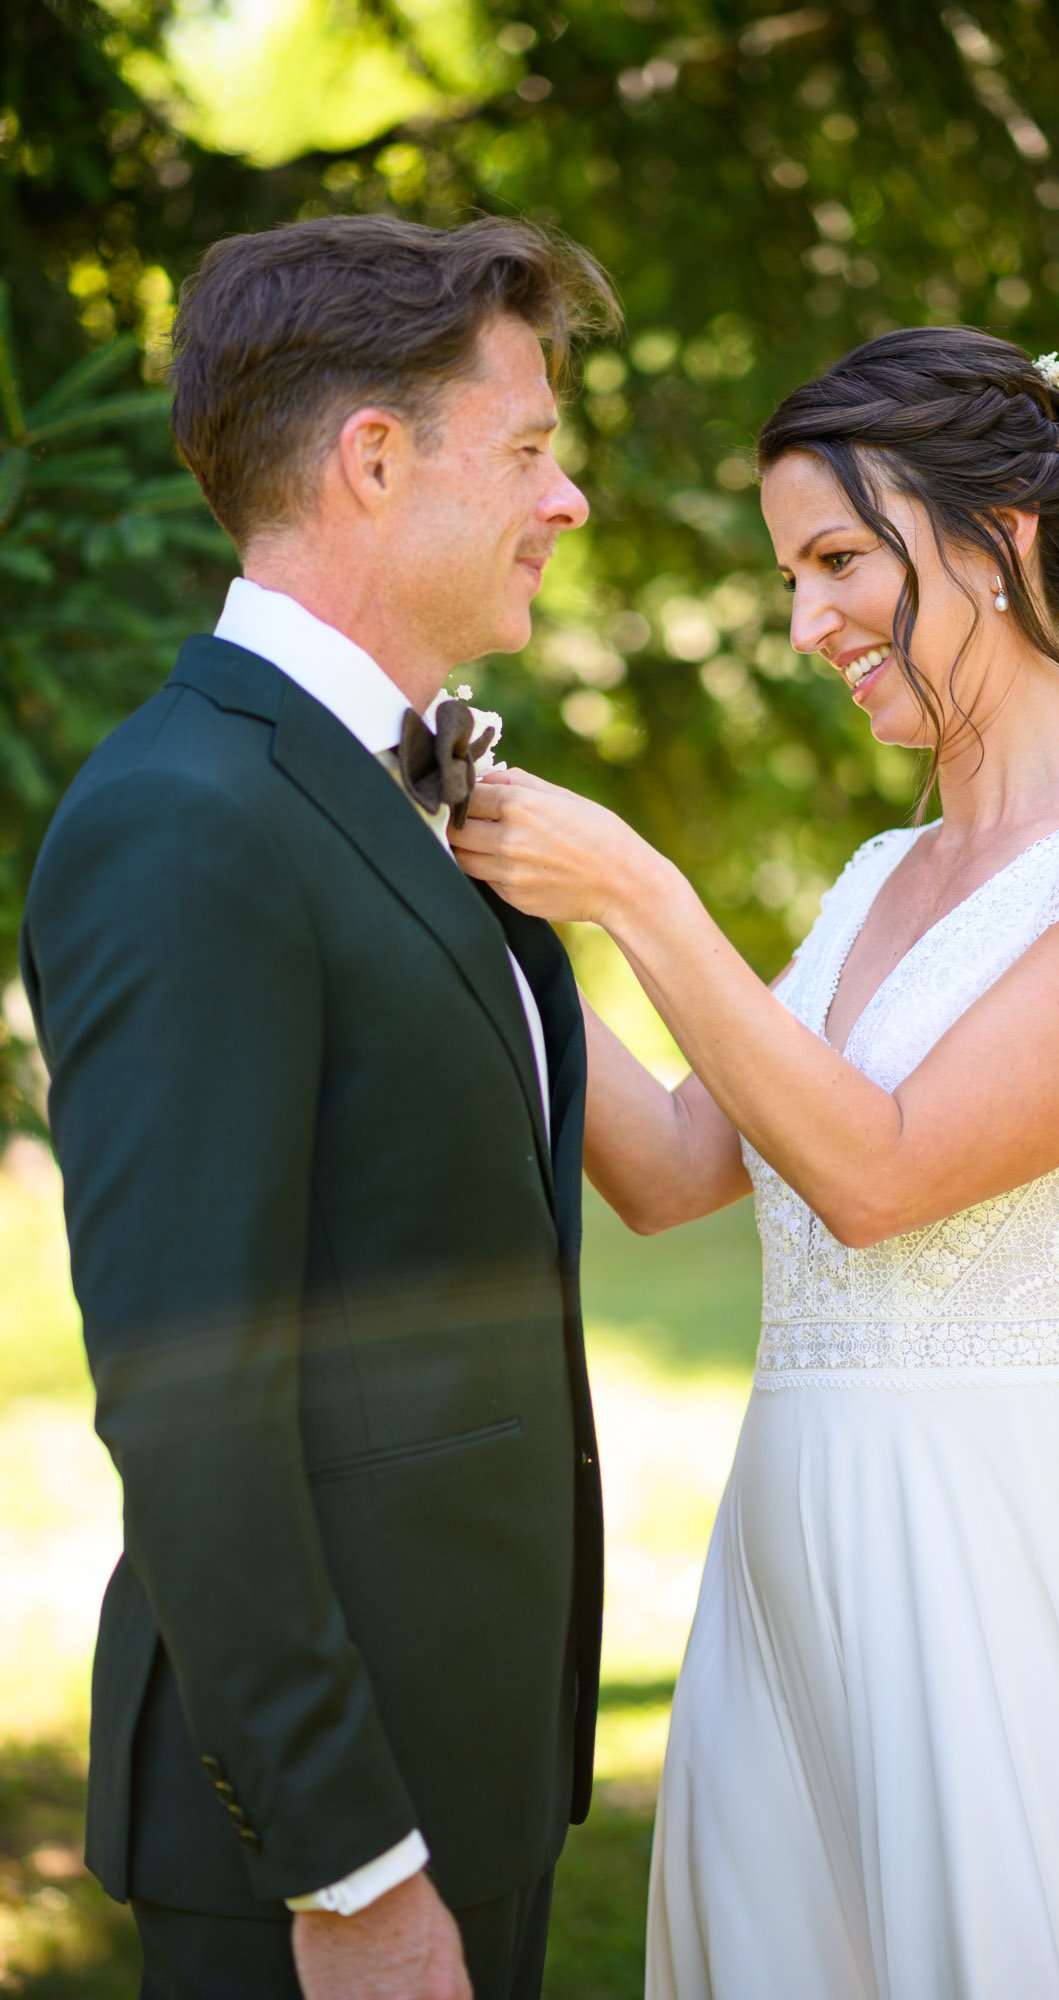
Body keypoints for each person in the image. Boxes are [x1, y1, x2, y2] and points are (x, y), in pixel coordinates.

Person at [453, 327, 1059, 1997]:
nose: (806, 625)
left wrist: (635, 888)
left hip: (991, 1535)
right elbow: (682, 1164)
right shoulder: (877, 872)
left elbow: (883, 1174)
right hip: (792, 1527)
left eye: (837, 560)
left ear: (997, 541)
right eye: (789, 576)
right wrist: (497, 908)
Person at [20, 213, 615, 2000]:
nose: (564, 498)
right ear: (373, 460)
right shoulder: (184, 820)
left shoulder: (417, 787)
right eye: (526, 447)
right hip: (324, 1829)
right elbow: (190, 1395)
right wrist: (349, 1865)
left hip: (479, 1757)